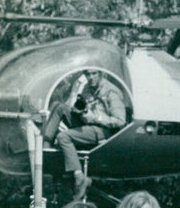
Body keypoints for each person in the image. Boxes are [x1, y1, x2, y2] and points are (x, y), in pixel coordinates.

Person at [43, 69, 127, 199]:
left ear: (101, 74)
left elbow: (121, 122)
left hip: (103, 130)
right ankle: (46, 146)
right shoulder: (87, 88)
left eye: (94, 74)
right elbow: (82, 107)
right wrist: (78, 111)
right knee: (59, 107)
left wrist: (95, 118)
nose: (91, 77)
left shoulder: (111, 92)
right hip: (87, 125)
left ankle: (79, 176)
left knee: (63, 137)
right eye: (88, 74)